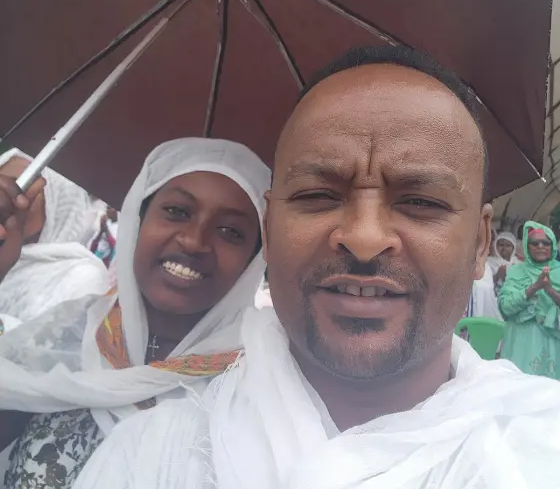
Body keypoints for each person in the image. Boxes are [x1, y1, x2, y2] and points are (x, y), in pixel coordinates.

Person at [73, 46, 560, 489]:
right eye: (317, 195)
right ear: (269, 228)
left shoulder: (539, 446)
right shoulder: (147, 456)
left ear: (479, 243)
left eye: (420, 202)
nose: (364, 239)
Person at [0, 138, 270, 489]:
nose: (194, 241)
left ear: (253, 260)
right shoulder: (63, 335)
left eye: (230, 231)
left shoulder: (255, 391)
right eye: (177, 211)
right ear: (137, 220)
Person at [0, 149, 108, 322]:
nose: (3, 201)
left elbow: (49, 338)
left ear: (57, 208)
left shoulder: (81, 278)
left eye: (20, 189)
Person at [499, 221, 560, 379]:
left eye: (545, 243)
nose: (540, 246)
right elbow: (506, 307)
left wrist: (549, 290)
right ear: (527, 245)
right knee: (520, 385)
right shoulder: (517, 271)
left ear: (552, 246)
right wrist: (534, 287)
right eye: (534, 243)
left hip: (552, 342)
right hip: (521, 341)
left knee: (549, 388)